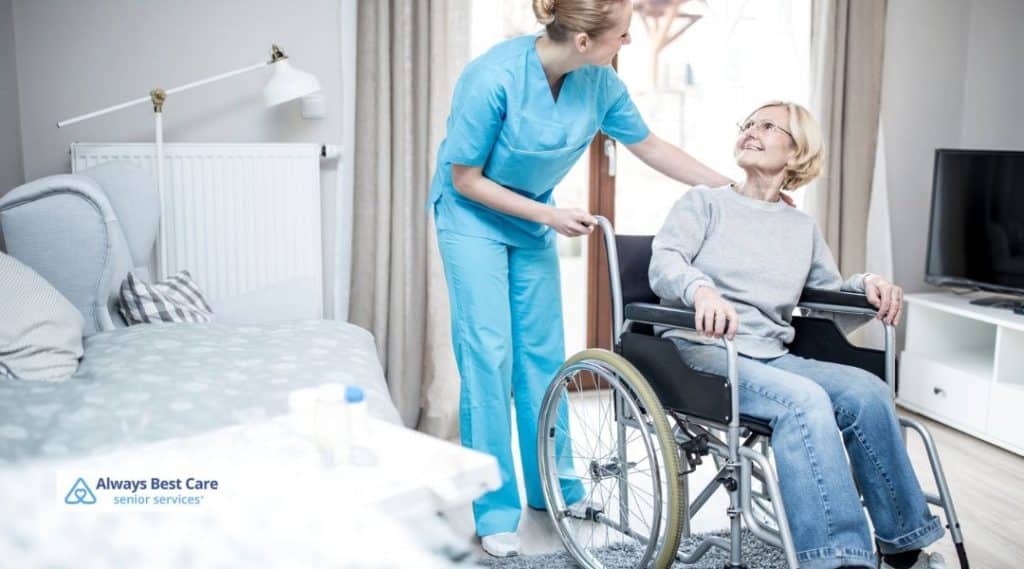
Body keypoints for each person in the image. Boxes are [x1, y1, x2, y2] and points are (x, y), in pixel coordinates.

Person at [429, 0, 733, 557]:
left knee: (544, 356)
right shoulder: (491, 77)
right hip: (471, 220)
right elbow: (466, 179)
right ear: (586, 41)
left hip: (530, 224)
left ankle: (555, 485)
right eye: (622, 34)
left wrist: (732, 191)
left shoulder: (600, 84)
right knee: (489, 357)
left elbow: (653, 148)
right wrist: (549, 214)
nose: (629, 42)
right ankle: (495, 508)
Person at [649, 101, 946, 569]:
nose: (751, 130)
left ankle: (904, 544)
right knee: (803, 401)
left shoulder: (800, 226)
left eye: (767, 126)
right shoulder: (704, 202)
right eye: (747, 123)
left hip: (770, 353)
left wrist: (866, 285)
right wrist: (700, 290)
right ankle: (839, 558)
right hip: (703, 351)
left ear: (795, 153)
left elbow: (827, 297)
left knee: (868, 392)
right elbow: (666, 261)